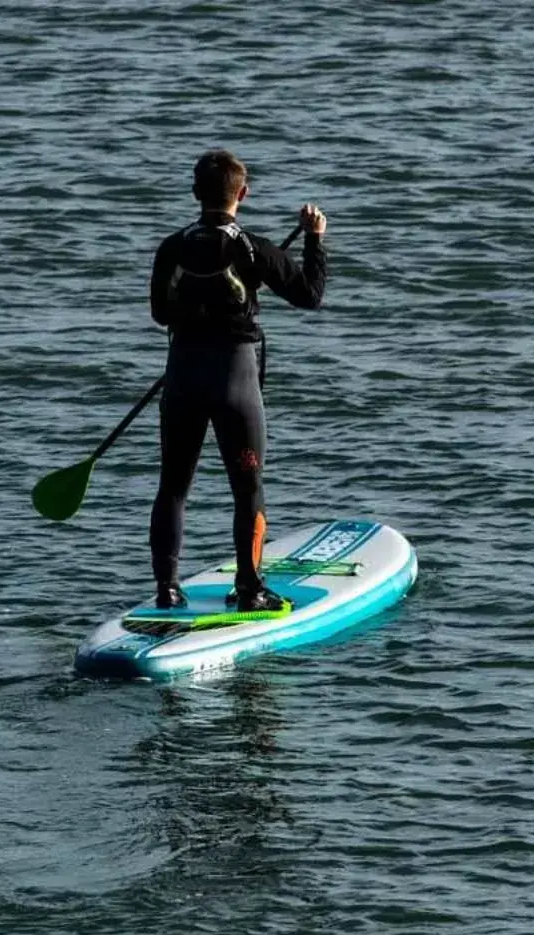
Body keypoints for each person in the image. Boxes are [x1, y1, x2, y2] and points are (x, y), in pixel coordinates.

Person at [148, 149, 327, 611]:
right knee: (247, 488)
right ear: (242, 194)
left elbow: (159, 314)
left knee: (173, 485)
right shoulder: (255, 248)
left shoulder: (171, 247)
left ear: (194, 193)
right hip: (236, 384)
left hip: (183, 378)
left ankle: (167, 589)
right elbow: (309, 295)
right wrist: (313, 240)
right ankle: (249, 588)